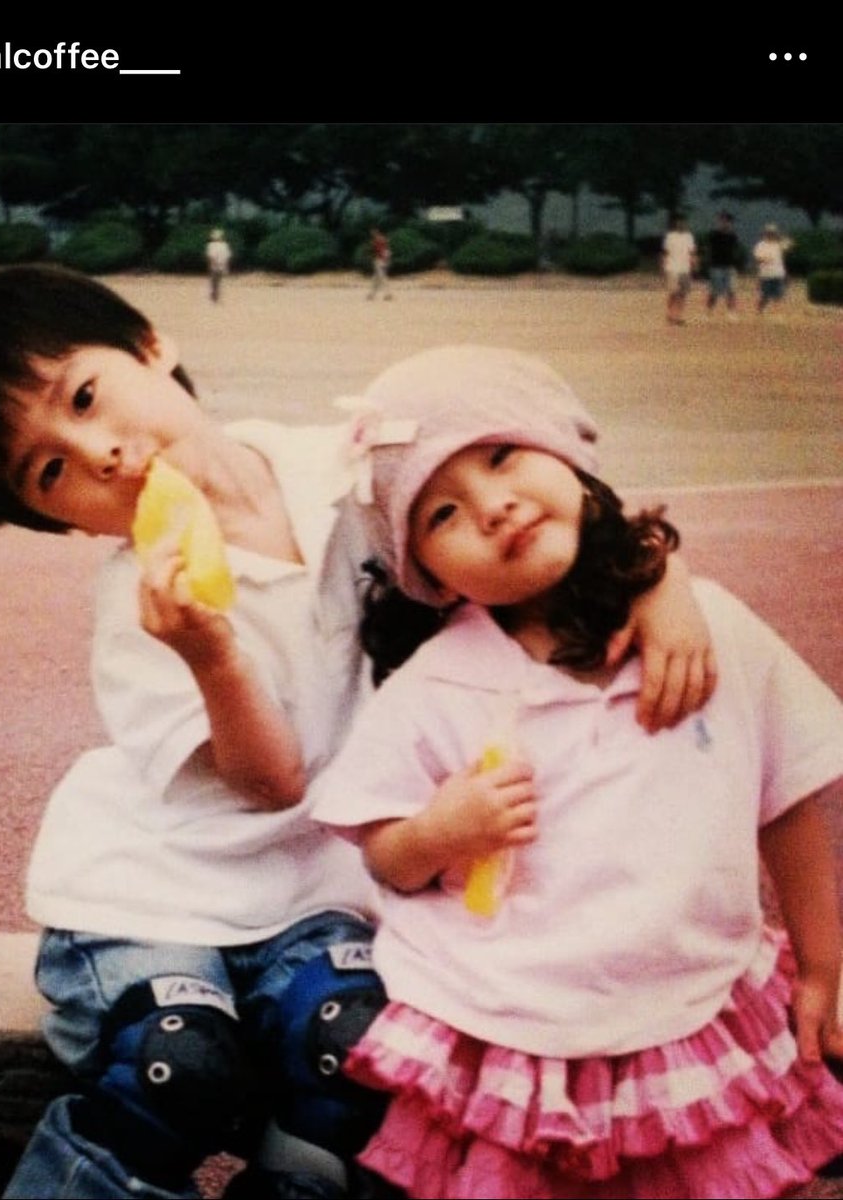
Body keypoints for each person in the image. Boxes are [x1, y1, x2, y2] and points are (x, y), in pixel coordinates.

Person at [0, 267, 715, 1200]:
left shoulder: (355, 472)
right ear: (56, 522)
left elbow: (537, 508)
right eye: (50, 472)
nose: (101, 453)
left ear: (152, 345)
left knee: (357, 1060)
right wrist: (208, 651)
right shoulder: (139, 614)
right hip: (155, 891)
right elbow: (272, 781)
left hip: (323, 889)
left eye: (84, 396)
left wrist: (658, 582)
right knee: (180, 1065)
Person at [312, 345, 843, 1199]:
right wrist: (439, 833)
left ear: (567, 456)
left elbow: (785, 802)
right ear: (430, 577)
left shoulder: (711, 633)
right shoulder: (437, 687)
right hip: (504, 1029)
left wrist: (824, 968)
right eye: (442, 513)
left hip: (691, 1009)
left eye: (500, 455)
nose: (494, 507)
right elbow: (384, 857)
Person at [660, 213, 697, 326]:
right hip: (672, 267)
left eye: (683, 222)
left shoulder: (689, 237)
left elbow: (692, 252)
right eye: (679, 222)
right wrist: (664, 266)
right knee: (673, 292)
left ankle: (678, 316)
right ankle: (670, 314)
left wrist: (694, 264)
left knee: (683, 293)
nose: (681, 224)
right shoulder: (670, 236)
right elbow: (665, 252)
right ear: (676, 223)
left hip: (685, 268)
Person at [705, 210, 741, 319]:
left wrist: (735, 263)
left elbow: (735, 250)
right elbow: (709, 249)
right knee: (715, 291)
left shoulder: (733, 236)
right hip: (716, 266)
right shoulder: (714, 234)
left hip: (729, 266)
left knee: (731, 290)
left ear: (730, 222)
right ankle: (709, 311)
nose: (725, 223)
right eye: (723, 220)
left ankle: (731, 312)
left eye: (727, 221)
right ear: (719, 221)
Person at [753, 223, 793, 316]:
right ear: (765, 234)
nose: (771, 235)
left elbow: (789, 244)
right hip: (766, 274)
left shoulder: (778, 244)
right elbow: (758, 258)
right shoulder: (761, 245)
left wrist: (780, 237)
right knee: (765, 295)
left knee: (779, 295)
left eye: (772, 233)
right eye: (769, 233)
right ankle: (760, 310)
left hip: (778, 274)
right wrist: (765, 260)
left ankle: (777, 314)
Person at [205, 228, 232, 303]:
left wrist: (211, 265)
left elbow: (210, 257)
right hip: (222, 265)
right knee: (218, 281)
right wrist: (226, 266)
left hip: (215, 265)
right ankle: (216, 296)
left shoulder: (211, 245)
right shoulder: (225, 245)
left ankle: (214, 296)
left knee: (214, 282)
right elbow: (227, 257)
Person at [367, 230, 392, 301]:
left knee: (382, 278)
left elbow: (377, 251)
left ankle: (387, 294)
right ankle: (372, 295)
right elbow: (387, 251)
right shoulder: (384, 240)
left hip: (379, 260)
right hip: (382, 260)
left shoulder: (376, 242)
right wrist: (387, 260)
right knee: (376, 279)